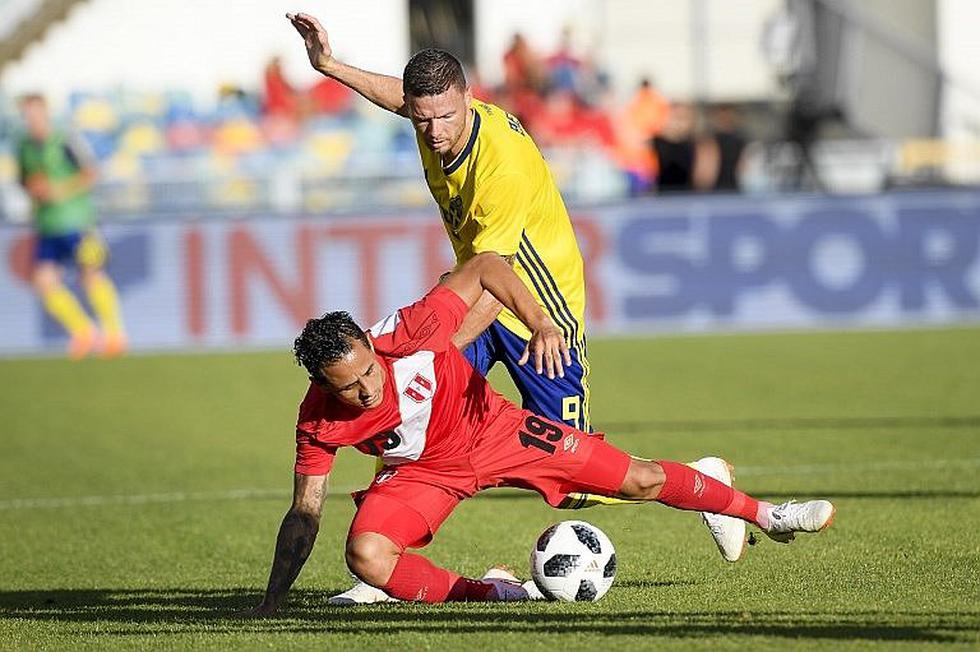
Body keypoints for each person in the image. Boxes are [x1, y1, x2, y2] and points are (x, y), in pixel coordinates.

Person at [287, 13, 748, 603]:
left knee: (573, 479)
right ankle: (378, 571)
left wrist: (432, 354)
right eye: (422, 118)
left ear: (467, 99)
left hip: (532, 307)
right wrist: (329, 66)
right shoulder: (438, 117)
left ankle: (701, 480)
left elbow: (492, 277)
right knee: (407, 411)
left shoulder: (498, 166)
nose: (431, 130)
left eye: (442, 117)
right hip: (478, 294)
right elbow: (402, 99)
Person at [239, 252, 836, 615]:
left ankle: (769, 515)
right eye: (348, 387)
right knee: (367, 556)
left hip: (493, 429)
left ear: (371, 346)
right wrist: (272, 600)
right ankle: (497, 594)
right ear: (321, 383)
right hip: (423, 473)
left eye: (369, 371)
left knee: (638, 479)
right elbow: (305, 513)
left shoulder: (410, 331)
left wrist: (541, 323)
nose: (367, 390)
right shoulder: (316, 421)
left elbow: (487, 266)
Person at [15, 94, 127, 359]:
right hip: (48, 225)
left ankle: (114, 335)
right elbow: (25, 181)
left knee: (91, 274)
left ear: (46, 113)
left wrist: (60, 190)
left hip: (78, 221)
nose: (33, 119)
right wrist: (34, 189)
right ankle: (83, 332)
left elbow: (91, 173)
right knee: (44, 281)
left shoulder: (65, 140)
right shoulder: (24, 147)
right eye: (28, 115)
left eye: (36, 113)